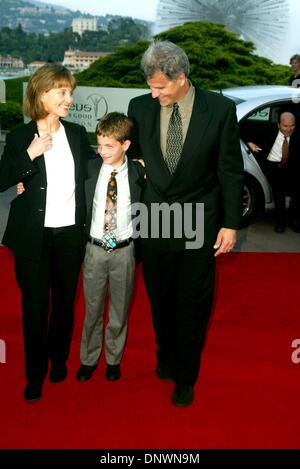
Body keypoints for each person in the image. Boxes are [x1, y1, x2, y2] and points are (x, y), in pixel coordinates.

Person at [127, 40, 244, 407]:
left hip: (199, 216)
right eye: (150, 84)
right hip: (155, 216)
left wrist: (230, 223)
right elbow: (125, 153)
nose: (153, 92)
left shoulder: (220, 109)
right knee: (160, 297)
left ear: (181, 78)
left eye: (160, 86)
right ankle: (166, 352)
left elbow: (229, 169)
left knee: (192, 300)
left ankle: (185, 374)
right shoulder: (139, 107)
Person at [0, 63, 94, 402]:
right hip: (31, 238)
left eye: (71, 92)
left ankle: (57, 359)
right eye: (63, 92)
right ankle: (34, 373)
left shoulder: (78, 134)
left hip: (70, 234)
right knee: (36, 307)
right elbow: (2, 179)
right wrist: (30, 155)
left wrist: (128, 162)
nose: (69, 98)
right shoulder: (19, 137)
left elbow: (95, 168)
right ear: (42, 95)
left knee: (65, 304)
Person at [76, 112, 145, 383]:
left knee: (119, 310)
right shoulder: (89, 168)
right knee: (92, 310)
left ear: (125, 145)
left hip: (125, 251)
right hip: (93, 250)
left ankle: (113, 359)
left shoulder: (139, 172)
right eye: (99, 145)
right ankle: (88, 358)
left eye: (109, 146)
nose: (102, 151)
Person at [244, 112, 300, 233]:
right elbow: (242, 127)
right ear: (278, 125)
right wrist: (249, 142)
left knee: (296, 194)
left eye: (292, 125)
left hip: (292, 168)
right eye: (285, 126)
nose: (289, 129)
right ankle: (281, 223)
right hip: (273, 167)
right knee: (278, 195)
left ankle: (293, 220)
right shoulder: (267, 131)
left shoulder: (297, 134)